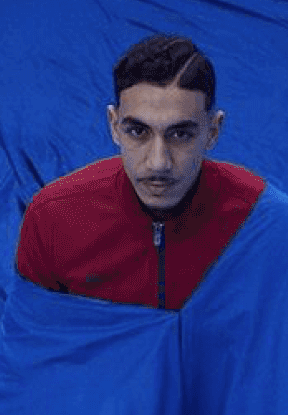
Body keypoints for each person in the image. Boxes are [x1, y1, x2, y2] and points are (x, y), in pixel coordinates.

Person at [15, 34, 264, 309]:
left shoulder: (260, 219)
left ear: (213, 131)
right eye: (138, 131)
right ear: (114, 125)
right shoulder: (52, 217)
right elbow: (33, 330)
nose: (158, 163)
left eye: (180, 134)